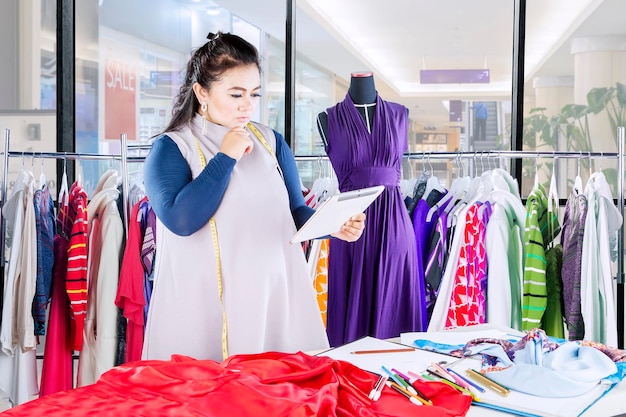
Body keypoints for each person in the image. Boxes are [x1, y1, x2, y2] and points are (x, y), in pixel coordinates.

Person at [141, 31, 365, 361]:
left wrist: (330, 224)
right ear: (202, 92)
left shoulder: (271, 142)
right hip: (204, 305)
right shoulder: (173, 147)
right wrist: (226, 158)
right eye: (236, 94)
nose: (248, 105)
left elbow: (294, 211)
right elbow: (182, 220)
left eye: (255, 94)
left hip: (274, 297)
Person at [316, 73, 425, 346]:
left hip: (395, 227)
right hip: (350, 226)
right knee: (352, 315)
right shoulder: (327, 118)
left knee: (396, 316)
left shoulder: (400, 114)